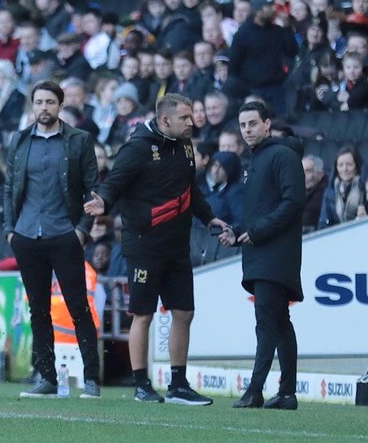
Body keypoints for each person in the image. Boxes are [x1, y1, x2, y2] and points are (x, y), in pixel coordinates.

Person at [83, 93, 228, 405]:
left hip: (177, 246)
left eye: (192, 116)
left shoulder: (186, 145)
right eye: (185, 118)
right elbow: (114, 183)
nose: (192, 122)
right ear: (165, 121)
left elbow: (192, 191)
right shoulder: (137, 148)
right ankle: (141, 384)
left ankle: (178, 385)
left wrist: (210, 218)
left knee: (185, 312)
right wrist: (103, 202)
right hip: (144, 246)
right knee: (144, 315)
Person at [4, 80, 102, 399]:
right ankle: (46, 377)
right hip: (27, 235)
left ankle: (91, 379)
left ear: (60, 106)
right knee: (39, 310)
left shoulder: (79, 141)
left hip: (64, 234)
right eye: (39, 102)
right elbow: (9, 189)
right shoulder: (19, 140)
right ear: (32, 106)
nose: (43, 108)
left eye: (49, 102)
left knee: (78, 307)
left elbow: (93, 188)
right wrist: (11, 229)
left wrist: (82, 230)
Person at [220, 102, 306, 410]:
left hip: (275, 254)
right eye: (243, 126)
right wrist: (239, 232)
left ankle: (255, 390)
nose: (247, 130)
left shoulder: (282, 155)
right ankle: (287, 393)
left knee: (267, 323)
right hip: (262, 253)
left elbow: (294, 202)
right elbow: (262, 211)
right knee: (280, 323)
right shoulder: (255, 160)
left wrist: (257, 232)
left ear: (267, 124)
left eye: (253, 124)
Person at [317, 145, 367, 229]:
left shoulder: (365, 189)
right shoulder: (330, 192)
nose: (345, 169)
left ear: (357, 166)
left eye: (349, 164)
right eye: (340, 165)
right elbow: (323, 224)